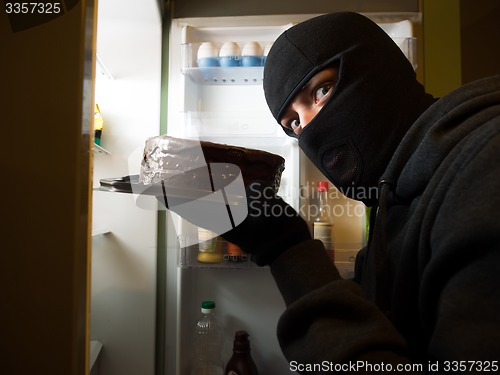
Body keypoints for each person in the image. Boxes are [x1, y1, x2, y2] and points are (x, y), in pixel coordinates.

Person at [172, 12, 500, 373]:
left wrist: (285, 249)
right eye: (294, 122)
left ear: (381, 67)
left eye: (321, 90)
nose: (309, 128)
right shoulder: (392, 199)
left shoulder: (486, 163)